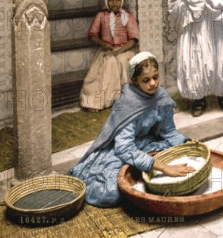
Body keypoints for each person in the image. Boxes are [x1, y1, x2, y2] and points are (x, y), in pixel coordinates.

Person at [69, 52, 194, 207]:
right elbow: (124, 147)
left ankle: (142, 172)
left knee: (185, 156)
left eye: (156, 77)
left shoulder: (160, 96)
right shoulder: (126, 103)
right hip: (120, 149)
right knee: (110, 194)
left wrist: (186, 142)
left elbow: (168, 132)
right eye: (146, 80)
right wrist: (163, 168)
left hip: (147, 144)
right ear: (135, 81)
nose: (153, 83)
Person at [80, 0, 139, 111]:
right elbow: (92, 35)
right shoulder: (101, 16)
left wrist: (120, 51)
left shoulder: (127, 16)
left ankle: (125, 98)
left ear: (121, 0)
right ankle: (100, 100)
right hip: (107, 49)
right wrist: (102, 43)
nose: (114, 2)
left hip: (125, 50)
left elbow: (133, 39)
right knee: (109, 63)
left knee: (123, 61)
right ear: (106, 1)